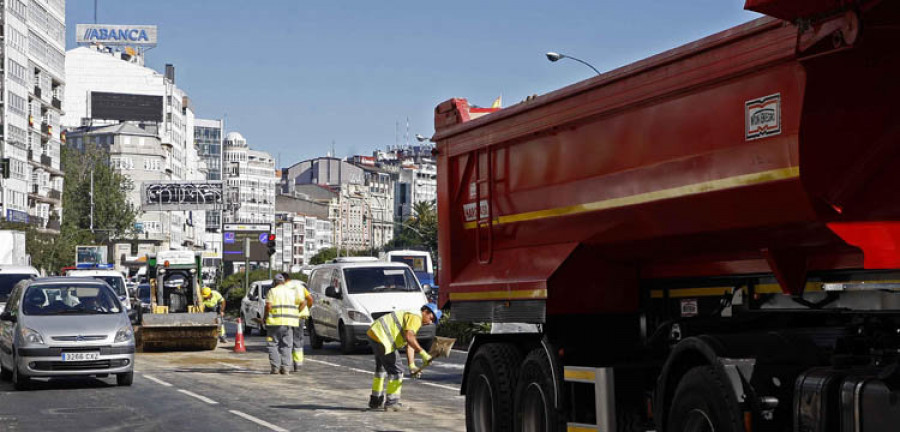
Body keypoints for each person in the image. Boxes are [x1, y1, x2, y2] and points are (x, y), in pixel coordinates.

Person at [366, 303, 442, 411]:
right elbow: (409, 337)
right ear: (426, 311)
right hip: (382, 338)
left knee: (381, 368)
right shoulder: (416, 317)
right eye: (431, 318)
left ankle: (375, 400)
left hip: (374, 334)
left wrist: (412, 366)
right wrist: (423, 354)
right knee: (397, 371)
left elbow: (409, 343)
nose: (430, 322)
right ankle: (392, 403)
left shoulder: (413, 315)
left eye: (433, 321)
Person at [264, 274, 302, 375]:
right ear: (284, 282)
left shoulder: (272, 291)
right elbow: (303, 302)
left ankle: (275, 368)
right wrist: (296, 313)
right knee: (287, 346)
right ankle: (286, 369)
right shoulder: (291, 292)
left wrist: (264, 317)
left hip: (274, 323)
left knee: (272, 345)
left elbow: (268, 306)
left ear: (275, 282)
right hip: (289, 323)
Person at [281, 272, 313, 371]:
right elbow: (309, 299)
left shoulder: (282, 288)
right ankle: (298, 364)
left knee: (286, 340)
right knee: (298, 340)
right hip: (300, 317)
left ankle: (286, 364)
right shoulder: (300, 286)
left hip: (287, 317)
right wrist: (306, 308)